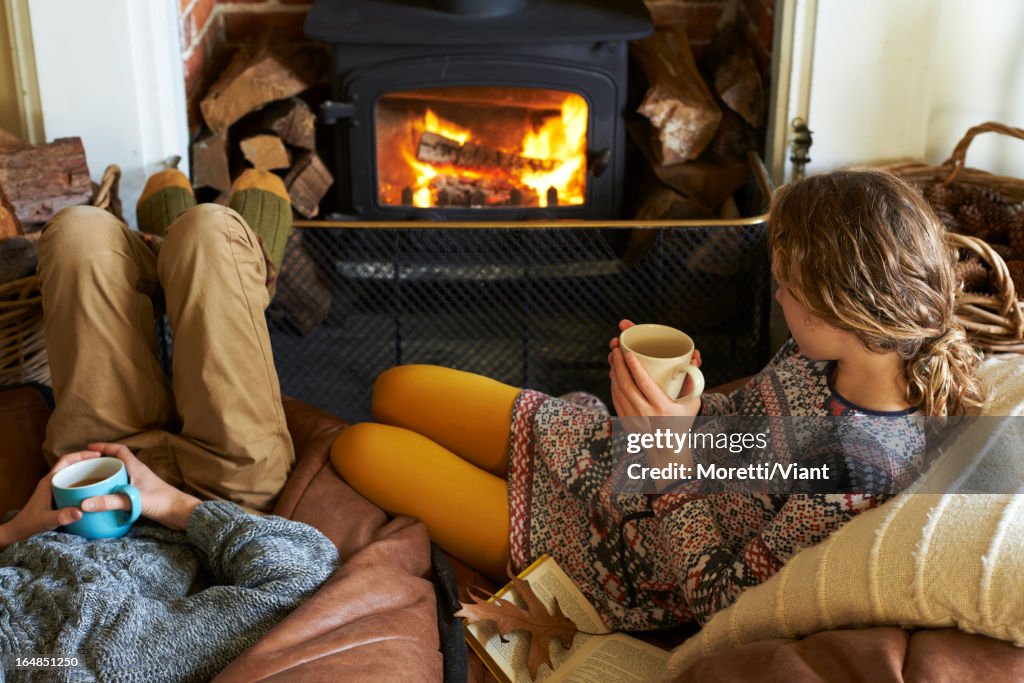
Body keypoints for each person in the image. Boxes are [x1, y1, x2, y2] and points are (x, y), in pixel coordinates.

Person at [330, 168, 987, 631]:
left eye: (786, 287)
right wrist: (688, 406)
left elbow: (722, 597)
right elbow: (742, 438)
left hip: (623, 552)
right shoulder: (824, 356)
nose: (778, 298)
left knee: (359, 446)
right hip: (614, 456)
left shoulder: (857, 469)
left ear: (844, 308)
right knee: (397, 385)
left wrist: (670, 462)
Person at [0, 170, 338, 679]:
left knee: (76, 234)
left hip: (88, 486)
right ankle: (231, 262)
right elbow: (302, 574)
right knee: (207, 232)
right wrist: (173, 504)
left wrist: (14, 530)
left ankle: (161, 256)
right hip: (221, 495)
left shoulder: (32, 661)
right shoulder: (121, 661)